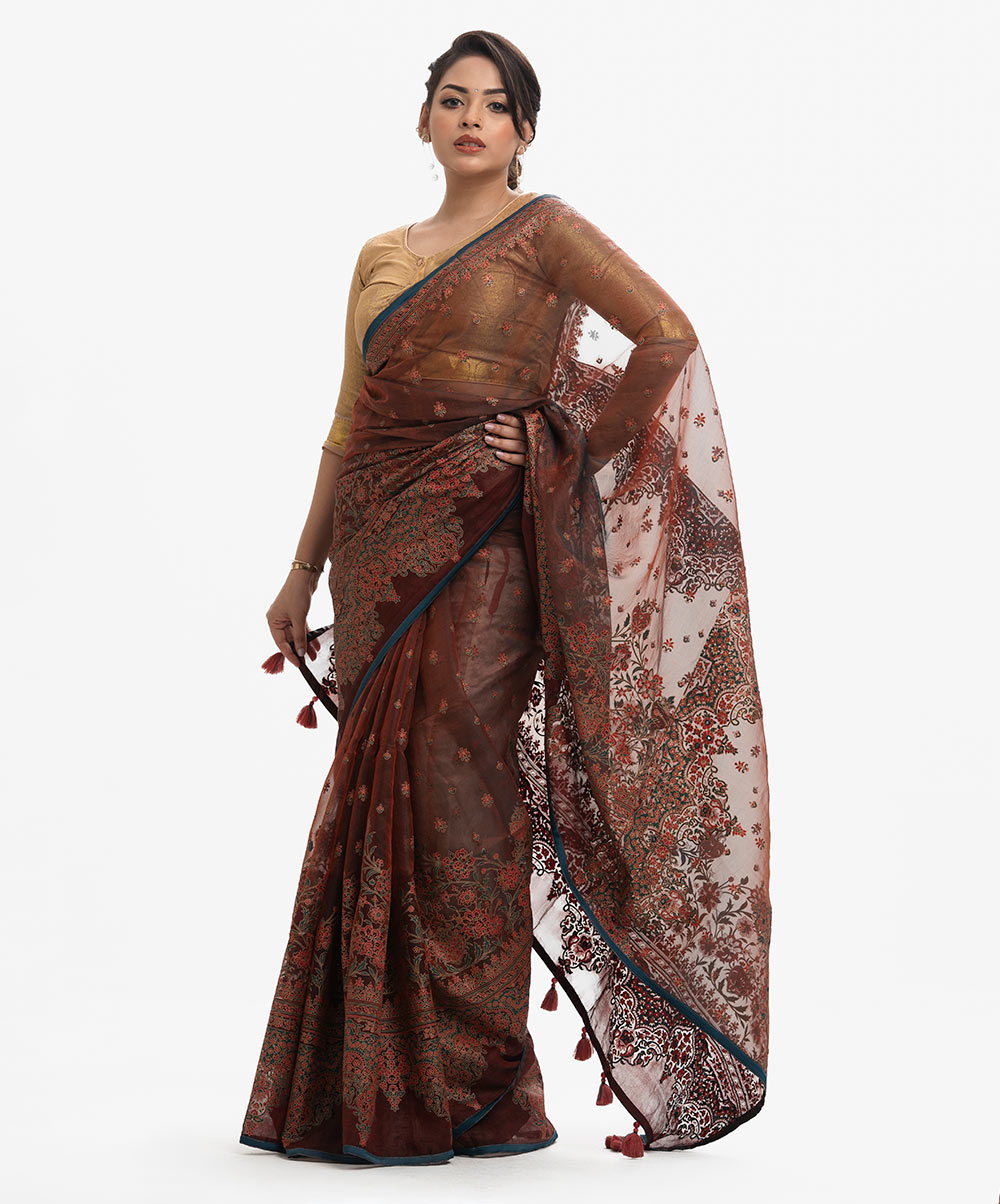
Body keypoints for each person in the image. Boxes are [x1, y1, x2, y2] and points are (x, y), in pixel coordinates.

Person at [239, 29, 771, 1167]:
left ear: (524, 131)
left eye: (493, 103)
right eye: (451, 98)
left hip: (489, 543)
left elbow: (667, 335)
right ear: (423, 120)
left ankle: (476, 1080)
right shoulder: (380, 255)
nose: (470, 117)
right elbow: (348, 423)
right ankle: (367, 1076)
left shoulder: (546, 231)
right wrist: (300, 571)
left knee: (465, 789)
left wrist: (561, 447)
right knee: (380, 792)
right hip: (377, 547)